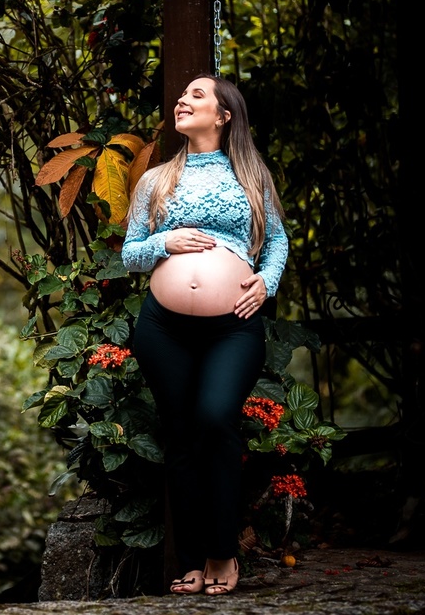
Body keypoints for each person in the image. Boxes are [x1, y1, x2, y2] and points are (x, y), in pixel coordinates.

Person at [121, 74, 288, 596]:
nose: (182, 101)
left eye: (196, 95)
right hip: (163, 328)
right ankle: (195, 559)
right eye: (182, 95)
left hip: (231, 327)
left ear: (224, 116)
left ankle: (224, 552)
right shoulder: (155, 181)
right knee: (182, 439)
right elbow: (130, 254)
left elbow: (277, 242)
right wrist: (164, 242)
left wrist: (267, 283)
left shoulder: (252, 175)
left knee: (216, 420)